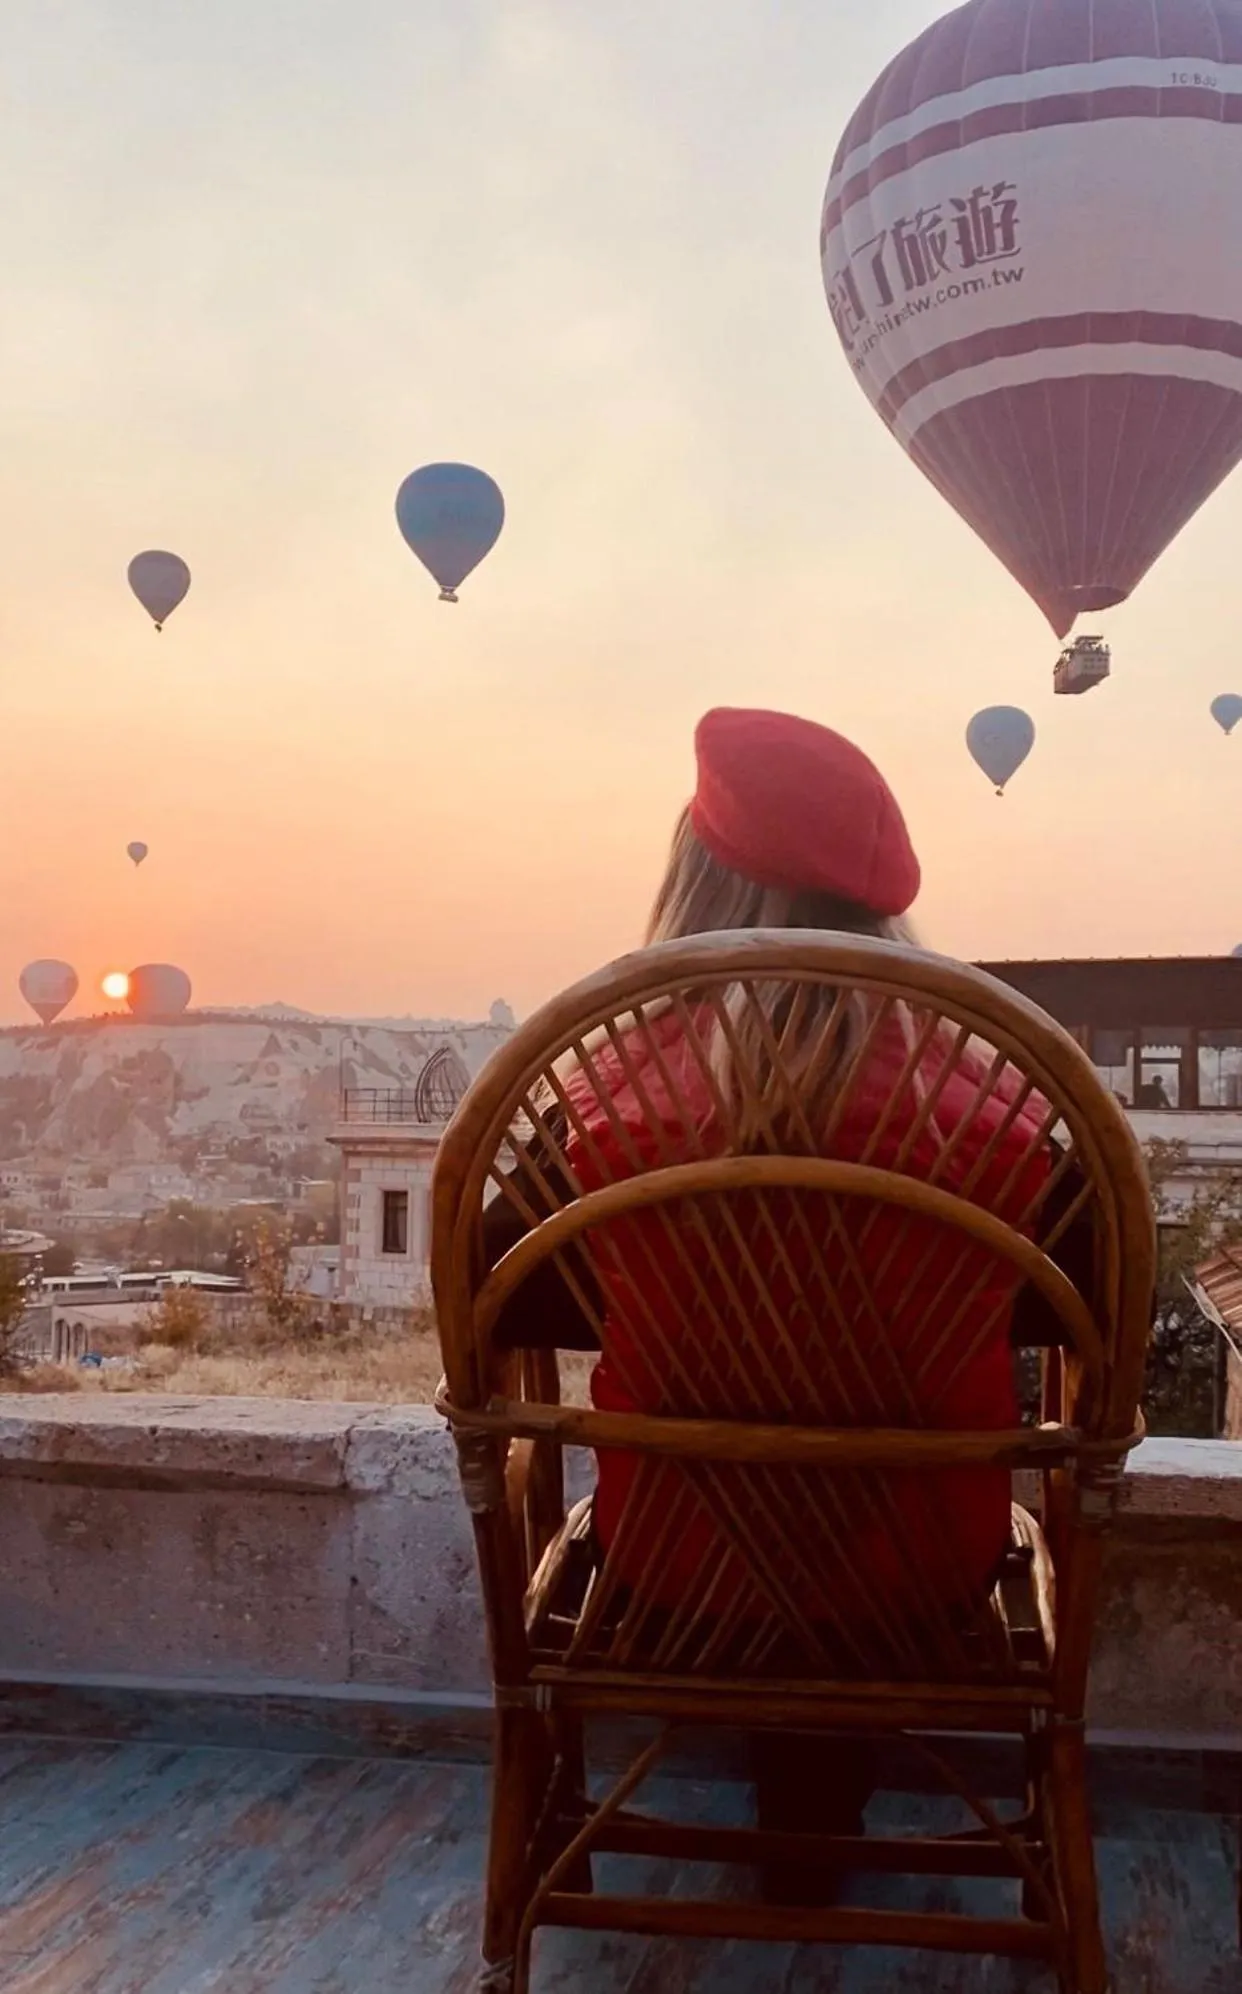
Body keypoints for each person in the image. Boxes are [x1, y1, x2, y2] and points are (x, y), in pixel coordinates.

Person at [481, 707, 1087, 1903]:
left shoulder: (604, 1097)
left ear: (697, 881)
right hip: (921, 1588)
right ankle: (844, 1826)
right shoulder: (1000, 1098)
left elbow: (499, 1305)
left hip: (676, 1579)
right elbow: (1083, 1320)